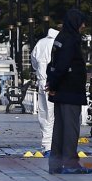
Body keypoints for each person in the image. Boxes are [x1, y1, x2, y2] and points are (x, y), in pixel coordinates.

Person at [46, 8, 92, 174]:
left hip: (60, 90)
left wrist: (51, 83)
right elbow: (63, 66)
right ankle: (70, 164)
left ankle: (56, 163)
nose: (84, 26)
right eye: (82, 22)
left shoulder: (60, 37)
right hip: (70, 90)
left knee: (59, 129)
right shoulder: (71, 40)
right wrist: (54, 84)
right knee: (71, 128)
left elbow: (52, 64)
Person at [31, 25, 59, 154]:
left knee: (43, 114)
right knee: (52, 115)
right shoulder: (58, 42)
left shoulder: (40, 43)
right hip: (53, 82)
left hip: (41, 81)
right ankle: (51, 145)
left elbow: (34, 62)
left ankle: (46, 144)